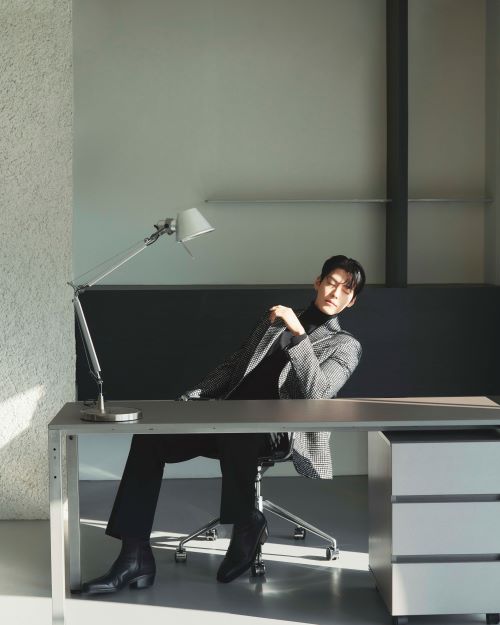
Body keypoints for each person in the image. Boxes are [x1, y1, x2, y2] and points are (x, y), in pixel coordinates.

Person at [81, 254, 365, 594]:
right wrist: (194, 395)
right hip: (228, 419)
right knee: (150, 438)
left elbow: (317, 394)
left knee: (238, 427)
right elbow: (234, 367)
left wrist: (299, 333)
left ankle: (245, 522)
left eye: (346, 289)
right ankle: (134, 555)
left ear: (351, 301)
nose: (335, 292)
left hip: (279, 432)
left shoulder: (345, 346)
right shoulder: (274, 321)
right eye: (331, 283)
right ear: (317, 283)